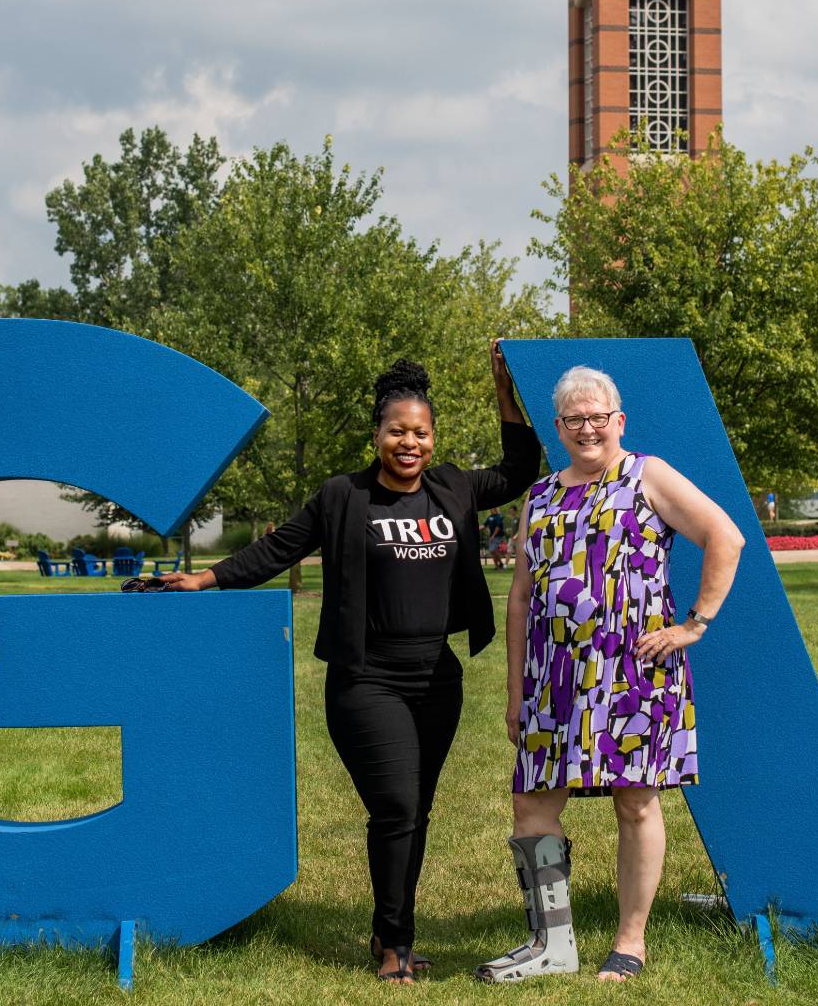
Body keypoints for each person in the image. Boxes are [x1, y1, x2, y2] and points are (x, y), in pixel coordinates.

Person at [163, 346, 538, 984]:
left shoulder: (454, 488)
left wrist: (505, 395)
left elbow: (520, 468)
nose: (409, 443)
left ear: (433, 438)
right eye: (397, 431)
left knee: (413, 813)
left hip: (437, 679)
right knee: (396, 806)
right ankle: (396, 944)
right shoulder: (344, 497)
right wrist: (204, 578)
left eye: (421, 433)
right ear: (377, 435)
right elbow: (279, 549)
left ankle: (389, 929)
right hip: (367, 679)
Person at [477, 365, 742, 984]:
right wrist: (516, 689)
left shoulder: (647, 474)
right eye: (575, 419)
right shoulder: (540, 496)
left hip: (632, 674)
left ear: (618, 421)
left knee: (636, 800)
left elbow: (725, 538)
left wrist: (694, 625)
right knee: (531, 803)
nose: (588, 429)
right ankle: (551, 943)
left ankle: (630, 942)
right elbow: (521, 597)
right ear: (559, 427)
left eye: (599, 417)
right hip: (553, 678)